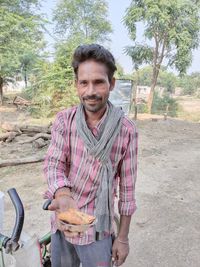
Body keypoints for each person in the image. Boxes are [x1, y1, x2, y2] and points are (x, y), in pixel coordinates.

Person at [43, 44, 138, 267]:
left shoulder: (126, 130)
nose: (90, 91)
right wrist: (63, 194)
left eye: (98, 82)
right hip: (63, 223)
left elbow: (127, 191)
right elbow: (53, 163)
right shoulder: (64, 120)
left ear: (111, 84)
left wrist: (122, 239)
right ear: (76, 85)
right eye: (84, 83)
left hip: (98, 232)